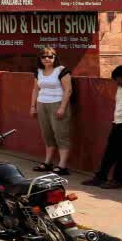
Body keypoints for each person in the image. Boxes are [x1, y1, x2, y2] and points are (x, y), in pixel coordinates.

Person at [30, 47, 73, 175]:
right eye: (44, 57)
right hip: (42, 104)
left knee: (61, 134)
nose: (47, 59)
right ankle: (48, 162)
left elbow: (68, 90)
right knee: (47, 134)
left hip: (57, 103)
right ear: (40, 59)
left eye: (50, 56)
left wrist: (62, 107)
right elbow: (35, 90)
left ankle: (62, 165)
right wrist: (33, 106)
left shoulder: (61, 70)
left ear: (55, 57)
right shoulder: (38, 71)